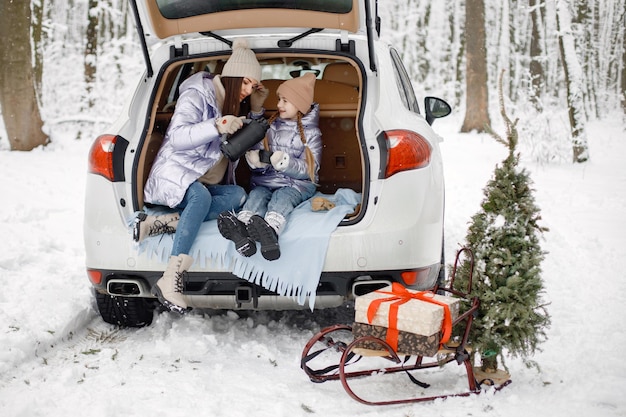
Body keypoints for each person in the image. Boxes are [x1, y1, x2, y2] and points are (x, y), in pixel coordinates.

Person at [133, 39, 269, 314]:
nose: (246, 90)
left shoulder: (234, 101)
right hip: (178, 174)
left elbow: (248, 142)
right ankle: (172, 278)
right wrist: (216, 125)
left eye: (252, 86)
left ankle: (159, 224)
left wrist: (256, 109)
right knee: (199, 196)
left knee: (237, 195)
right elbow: (179, 137)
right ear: (230, 76)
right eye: (244, 83)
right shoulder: (197, 94)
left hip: (207, 180)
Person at [217, 73, 321, 261]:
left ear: (300, 105)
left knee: (282, 197)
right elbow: (257, 149)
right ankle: (242, 230)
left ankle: (270, 231)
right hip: (265, 181)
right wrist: (256, 163)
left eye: (285, 101)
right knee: (256, 195)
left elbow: (311, 170)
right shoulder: (271, 126)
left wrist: (285, 163)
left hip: (296, 185)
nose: (279, 105)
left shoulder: (311, 133)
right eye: (279, 99)